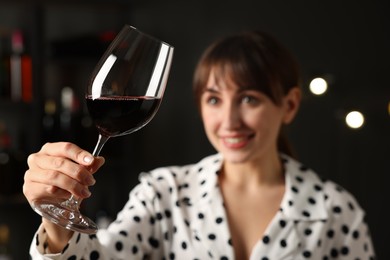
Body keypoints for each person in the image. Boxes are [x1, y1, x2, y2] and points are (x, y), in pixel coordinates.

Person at [24, 30, 376, 259]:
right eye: (213, 99)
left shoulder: (335, 211)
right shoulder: (165, 193)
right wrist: (56, 221)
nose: (229, 120)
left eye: (249, 99)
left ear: (290, 105)